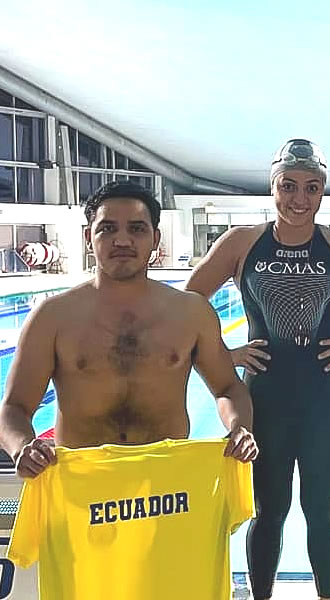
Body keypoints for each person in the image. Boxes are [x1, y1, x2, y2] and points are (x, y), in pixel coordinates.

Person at [185, 139, 330, 600]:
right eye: (288, 186)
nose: (299, 198)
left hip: (327, 401)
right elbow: (187, 303)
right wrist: (224, 354)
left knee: (322, 511)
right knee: (268, 512)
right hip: (263, 399)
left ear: (322, 191)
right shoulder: (242, 243)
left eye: (311, 188)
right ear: (273, 187)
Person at [0, 180, 258, 479]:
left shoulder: (192, 313)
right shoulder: (52, 317)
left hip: (166, 481)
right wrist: (22, 447)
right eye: (107, 229)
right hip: (83, 482)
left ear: (155, 238)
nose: (122, 241)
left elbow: (228, 388)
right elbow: (14, 408)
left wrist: (239, 428)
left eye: (136, 229)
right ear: (88, 237)